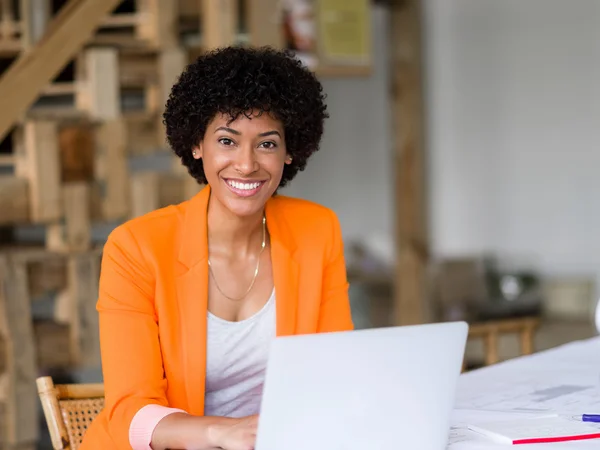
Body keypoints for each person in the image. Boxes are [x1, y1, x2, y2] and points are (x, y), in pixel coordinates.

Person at [80, 46, 354, 450]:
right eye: (227, 140)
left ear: (289, 149)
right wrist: (220, 432)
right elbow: (130, 411)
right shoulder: (136, 248)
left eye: (266, 144)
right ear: (197, 145)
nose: (246, 164)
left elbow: (336, 371)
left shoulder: (317, 229)